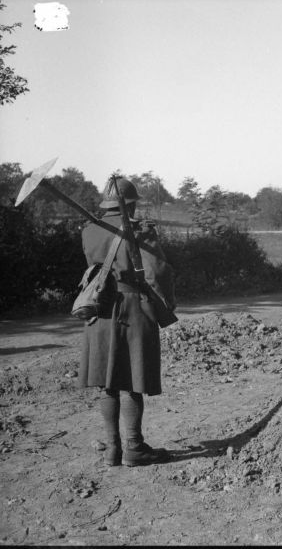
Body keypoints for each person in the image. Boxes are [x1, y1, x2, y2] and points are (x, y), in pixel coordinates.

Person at [79, 175, 176, 467]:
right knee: (132, 381)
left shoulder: (89, 231)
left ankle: (112, 450)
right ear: (130, 205)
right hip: (132, 307)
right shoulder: (139, 231)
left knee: (107, 383)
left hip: (99, 310)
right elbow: (157, 272)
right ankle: (134, 448)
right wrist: (165, 307)